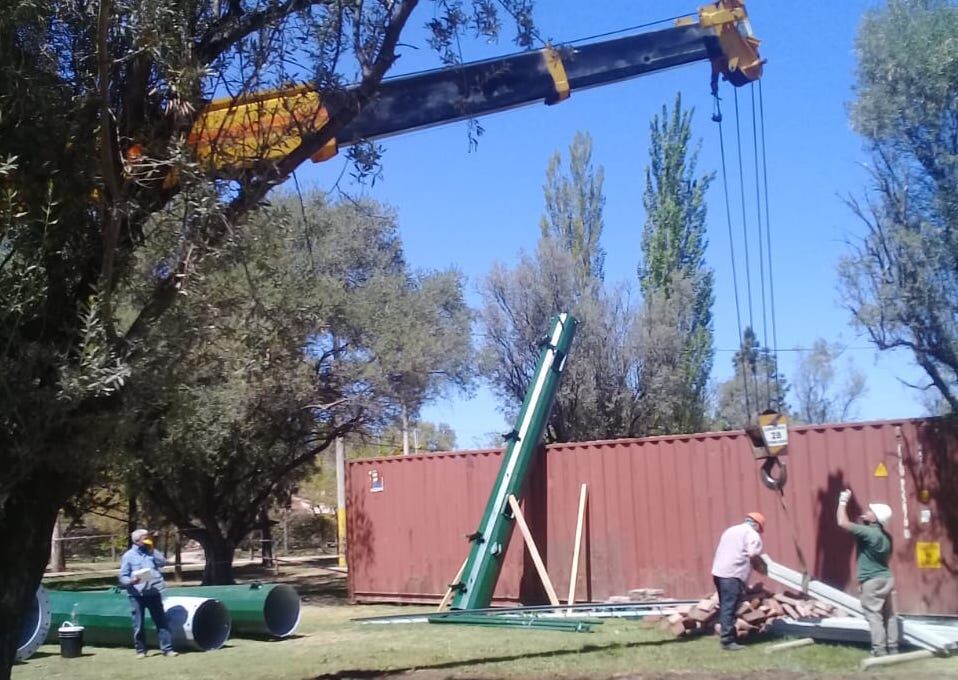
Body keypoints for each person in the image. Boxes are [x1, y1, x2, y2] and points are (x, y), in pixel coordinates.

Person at [836, 489, 898, 657]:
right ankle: (893, 648)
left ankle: (879, 651)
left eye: (870, 511)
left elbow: (842, 522)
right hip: (886, 577)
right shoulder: (887, 537)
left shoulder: (868, 533)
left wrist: (843, 501)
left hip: (871, 581)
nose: (867, 512)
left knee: (874, 616)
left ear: (875, 518)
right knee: (889, 615)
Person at [710, 512, 768, 651]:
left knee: (726, 605)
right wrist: (762, 568)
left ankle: (729, 635)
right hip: (733, 574)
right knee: (730, 606)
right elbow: (753, 554)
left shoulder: (731, 530)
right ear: (757, 525)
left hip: (719, 572)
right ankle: (728, 641)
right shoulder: (752, 534)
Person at [119, 529, 178, 658]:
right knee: (138, 624)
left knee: (161, 622)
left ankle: (167, 649)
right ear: (137, 540)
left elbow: (162, 563)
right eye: (145, 538)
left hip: (154, 593)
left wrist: (152, 549)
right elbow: (122, 576)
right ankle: (141, 651)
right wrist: (131, 581)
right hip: (137, 595)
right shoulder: (128, 556)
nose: (148, 539)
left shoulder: (151, 552)